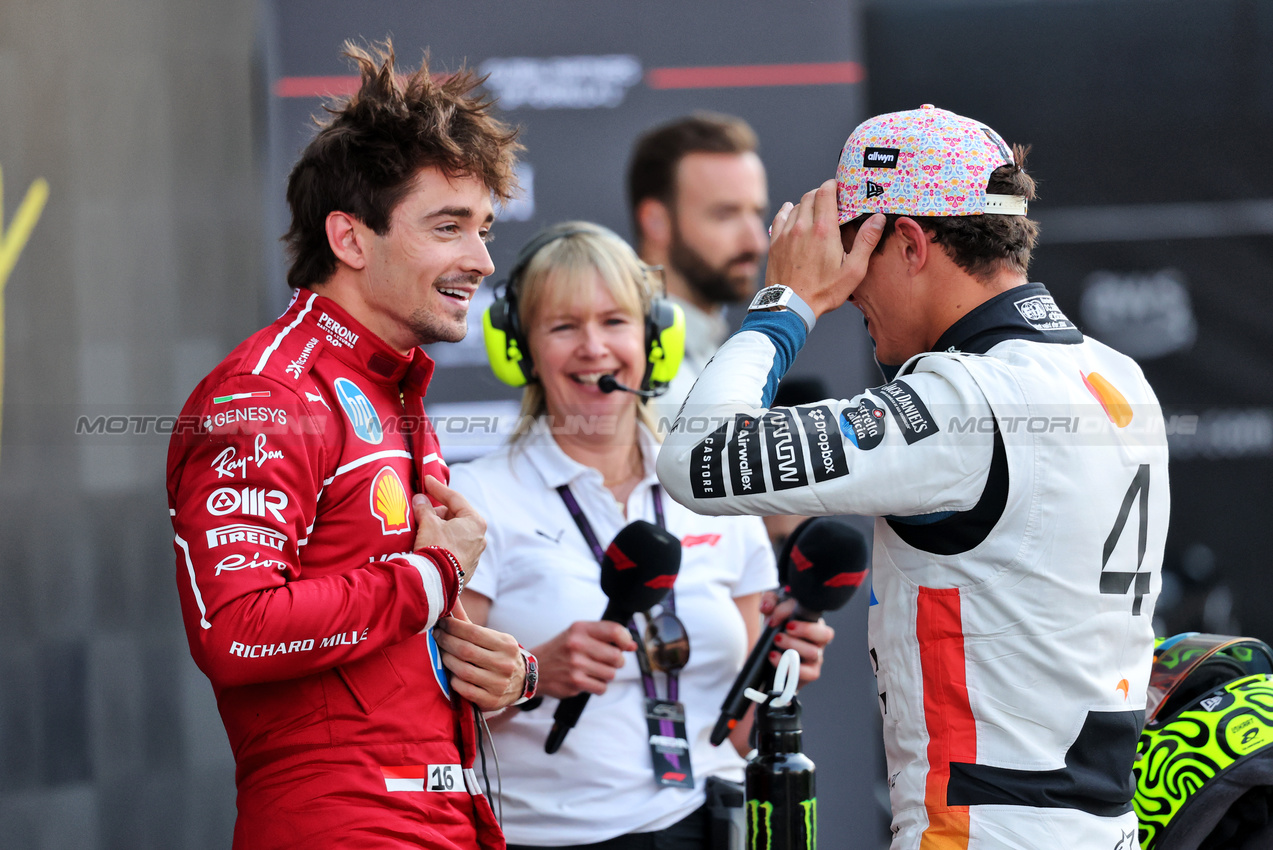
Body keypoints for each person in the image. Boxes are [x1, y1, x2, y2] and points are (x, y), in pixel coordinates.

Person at [657, 105, 1170, 849]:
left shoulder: (966, 397)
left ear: (907, 243)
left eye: (851, 257)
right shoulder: (1113, 372)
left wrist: (785, 303)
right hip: (1104, 827)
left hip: (983, 828)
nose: (848, 288)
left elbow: (697, 457)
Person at [166, 41, 532, 850]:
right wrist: (433, 573)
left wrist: (502, 671)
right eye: (448, 227)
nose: (480, 260)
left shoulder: (386, 386)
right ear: (351, 238)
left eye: (483, 230)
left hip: (445, 818)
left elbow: (389, 642)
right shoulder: (268, 393)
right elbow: (237, 630)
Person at [447, 221, 834, 849]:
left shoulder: (715, 490)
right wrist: (533, 672)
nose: (593, 347)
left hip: (715, 826)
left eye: (615, 322)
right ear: (518, 347)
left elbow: (740, 733)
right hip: (550, 838)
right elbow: (437, 716)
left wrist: (778, 673)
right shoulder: (479, 500)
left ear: (654, 338)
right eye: (563, 326)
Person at [626, 114, 769, 425]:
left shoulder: (707, 349)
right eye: (725, 214)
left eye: (757, 213)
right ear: (656, 222)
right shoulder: (623, 368)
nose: (756, 242)